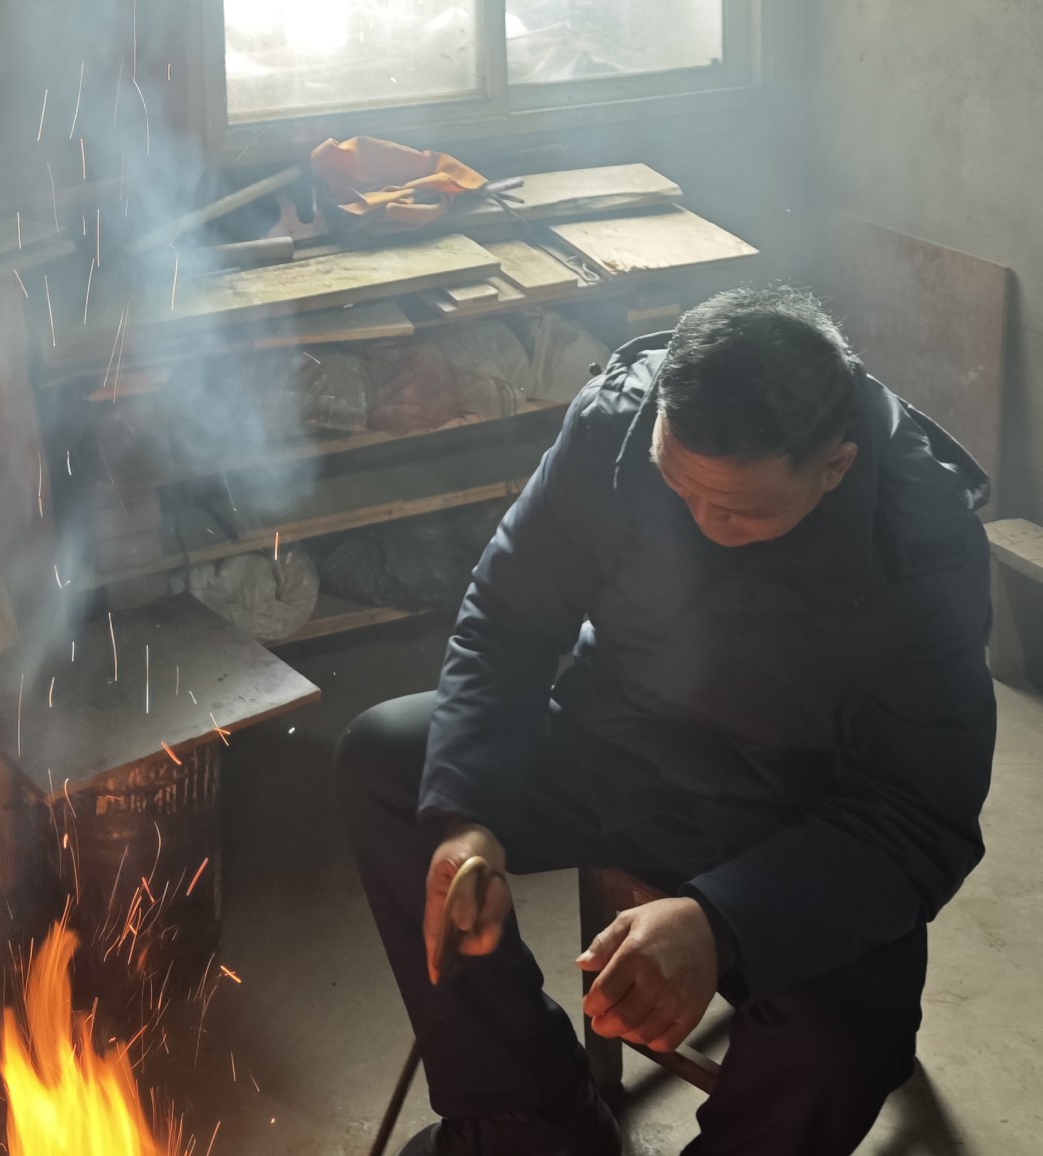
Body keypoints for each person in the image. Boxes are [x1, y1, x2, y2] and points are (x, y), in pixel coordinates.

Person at [336, 287, 995, 1156]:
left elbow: (918, 814)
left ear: (832, 466)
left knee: (849, 1035)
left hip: (796, 821)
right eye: (676, 485)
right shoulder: (618, 420)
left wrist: (720, 922)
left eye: (738, 511)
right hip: (618, 741)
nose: (701, 524)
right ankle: (525, 1117)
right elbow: (509, 616)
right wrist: (472, 817)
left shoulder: (921, 538)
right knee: (390, 761)